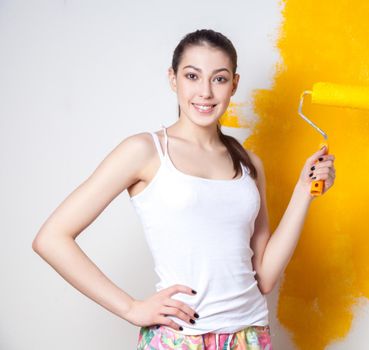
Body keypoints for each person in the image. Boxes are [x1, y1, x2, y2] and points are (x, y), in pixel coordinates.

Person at [32, 28, 336, 350]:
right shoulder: (145, 151)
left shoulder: (249, 164)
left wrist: (304, 191)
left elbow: (264, 277)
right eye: (192, 76)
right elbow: (51, 238)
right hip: (180, 338)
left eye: (218, 79)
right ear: (173, 79)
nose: (205, 92)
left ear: (234, 84)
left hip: (248, 336)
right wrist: (132, 308)